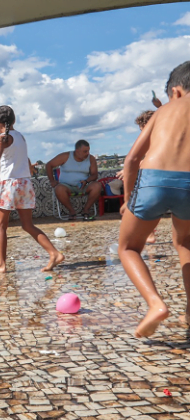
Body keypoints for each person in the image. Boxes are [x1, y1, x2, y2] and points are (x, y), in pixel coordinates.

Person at [118, 61, 190, 338]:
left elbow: (132, 159)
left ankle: (155, 304)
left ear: (176, 92)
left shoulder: (165, 110)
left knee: (128, 248)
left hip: (154, 180)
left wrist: (127, 200)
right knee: (184, 242)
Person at [0, 106, 64, 273]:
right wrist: (29, 168)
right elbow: (25, 157)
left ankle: (1, 264)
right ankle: (54, 253)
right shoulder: (20, 136)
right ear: (14, 121)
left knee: (0, 226)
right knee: (28, 225)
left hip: (10, 185)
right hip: (25, 184)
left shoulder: (2, 138)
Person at [118, 111, 158, 244]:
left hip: (159, 175)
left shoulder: (156, 137)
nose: (142, 133)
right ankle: (150, 234)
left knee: (147, 205)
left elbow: (147, 158)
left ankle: (148, 235)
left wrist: (130, 170)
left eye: (143, 129)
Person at [46, 140, 102, 220]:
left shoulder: (91, 159)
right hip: (66, 186)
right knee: (59, 189)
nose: (87, 153)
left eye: (88, 151)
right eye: (85, 151)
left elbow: (94, 175)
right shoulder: (65, 156)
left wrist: (86, 181)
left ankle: (86, 210)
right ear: (77, 151)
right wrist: (52, 180)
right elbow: (49, 165)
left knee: (97, 186)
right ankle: (71, 211)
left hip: (84, 185)